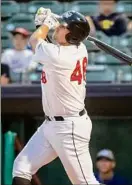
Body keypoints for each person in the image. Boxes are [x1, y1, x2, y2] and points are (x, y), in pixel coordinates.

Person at [12, 8, 100, 185]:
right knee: (21, 166)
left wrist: (45, 23)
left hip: (70, 128)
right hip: (51, 125)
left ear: (71, 36)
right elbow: (44, 44)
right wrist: (44, 25)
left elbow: (35, 40)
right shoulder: (78, 48)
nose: (57, 28)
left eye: (61, 27)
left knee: (86, 183)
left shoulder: (60, 56)